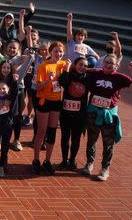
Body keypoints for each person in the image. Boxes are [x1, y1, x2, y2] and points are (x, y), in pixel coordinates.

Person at [82, 54, 132, 181]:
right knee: (91, 140)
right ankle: (89, 163)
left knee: (108, 143)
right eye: (106, 62)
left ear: (116, 66)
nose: (108, 65)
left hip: (109, 115)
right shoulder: (95, 73)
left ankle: (105, 169)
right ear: (102, 63)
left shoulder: (119, 77)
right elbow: (79, 69)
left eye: (111, 63)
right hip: (93, 112)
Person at [33, 41, 67, 175]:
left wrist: (68, 68)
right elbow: (38, 87)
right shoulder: (43, 66)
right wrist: (48, 80)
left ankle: (47, 160)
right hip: (44, 100)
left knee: (52, 131)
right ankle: (36, 160)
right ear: (50, 52)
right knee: (42, 131)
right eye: (55, 51)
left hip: (56, 101)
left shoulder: (64, 65)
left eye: (60, 51)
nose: (58, 54)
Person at [57, 57, 89, 171]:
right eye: (80, 64)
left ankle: (72, 160)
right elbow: (61, 82)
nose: (82, 67)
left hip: (80, 115)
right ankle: (64, 160)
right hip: (66, 113)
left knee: (76, 139)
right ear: (75, 65)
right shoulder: (69, 76)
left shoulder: (88, 78)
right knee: (65, 138)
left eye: (85, 66)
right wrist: (66, 69)